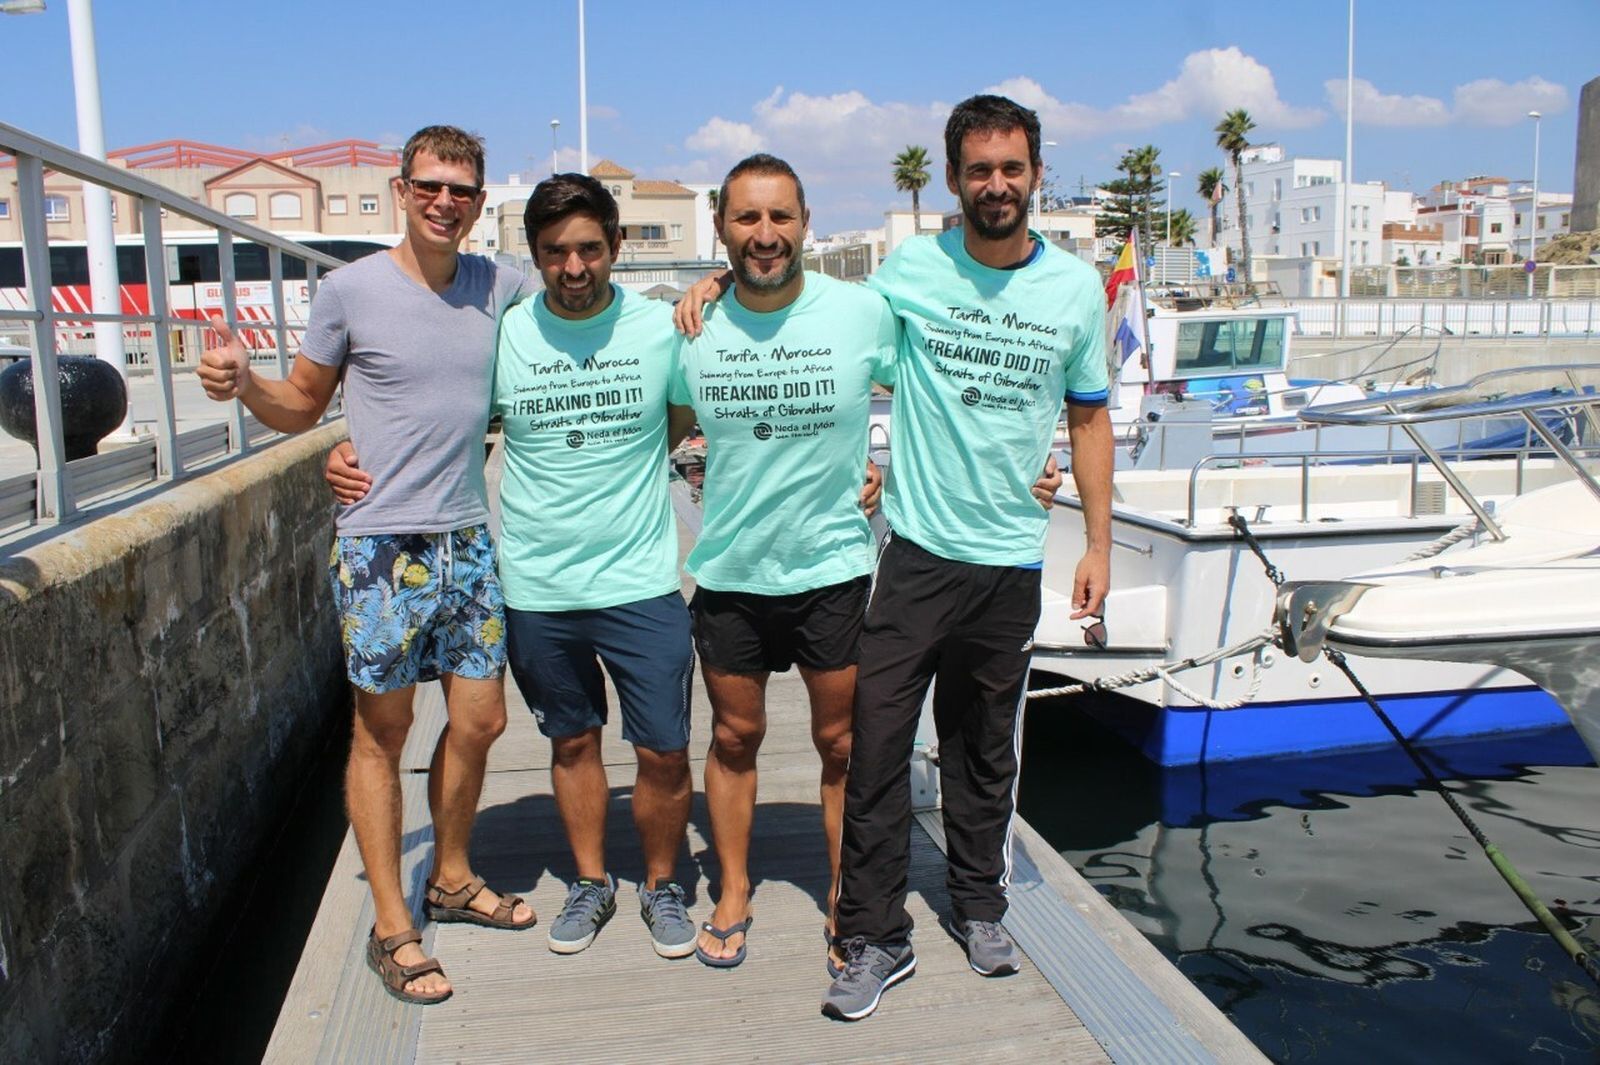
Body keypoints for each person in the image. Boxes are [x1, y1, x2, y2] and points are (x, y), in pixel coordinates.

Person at [197, 125, 536, 1006]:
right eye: (430, 186)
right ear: (400, 188)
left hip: (467, 538)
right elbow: (301, 403)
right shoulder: (349, 290)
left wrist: (712, 291)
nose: (445, 203)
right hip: (381, 545)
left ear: (479, 199)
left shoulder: (502, 284)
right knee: (381, 733)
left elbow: (595, 290)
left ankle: (451, 876)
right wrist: (245, 384)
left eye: (462, 191)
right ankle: (394, 924)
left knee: (483, 719)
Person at [330, 173, 705, 959]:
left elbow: (693, 415)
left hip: (641, 578)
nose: (575, 267)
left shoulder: (660, 329)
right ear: (534, 257)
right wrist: (346, 448)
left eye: (591, 249)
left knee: (665, 749)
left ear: (617, 247)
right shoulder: (505, 329)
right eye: (556, 252)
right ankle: (593, 880)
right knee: (571, 742)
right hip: (536, 585)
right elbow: (428, 405)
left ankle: (664, 884)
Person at [819, 94, 1114, 1020]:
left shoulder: (1074, 289)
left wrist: (1098, 539)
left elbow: (1090, 415)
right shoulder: (910, 268)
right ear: (953, 179)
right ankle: (871, 935)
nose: (996, 185)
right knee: (875, 747)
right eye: (979, 169)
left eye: (1012, 168)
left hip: (1011, 560)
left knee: (983, 749)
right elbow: (824, 336)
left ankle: (980, 904)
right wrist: (713, 289)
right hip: (916, 555)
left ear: (1035, 175)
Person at [671, 154, 898, 969]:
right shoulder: (691, 327)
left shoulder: (862, 312)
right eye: (746, 218)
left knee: (841, 743)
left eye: (780, 217)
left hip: (831, 568)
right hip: (731, 574)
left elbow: (939, 402)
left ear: (805, 222)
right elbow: (648, 433)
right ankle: (733, 890)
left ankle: (845, 894)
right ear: (723, 227)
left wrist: (889, 475)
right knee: (736, 736)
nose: (764, 235)